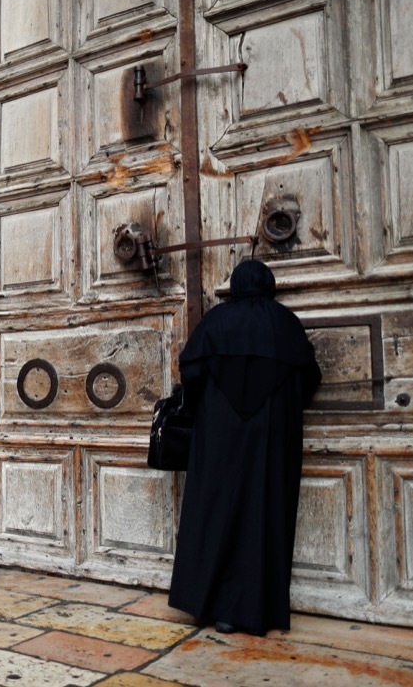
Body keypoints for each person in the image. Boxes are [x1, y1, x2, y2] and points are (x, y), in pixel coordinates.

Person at [168, 259, 321, 636]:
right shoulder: (285, 323)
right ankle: (248, 610)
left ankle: (205, 603)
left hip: (219, 434)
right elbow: (309, 379)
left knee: (213, 512)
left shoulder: (217, 322)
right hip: (271, 438)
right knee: (263, 515)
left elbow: (191, 373)